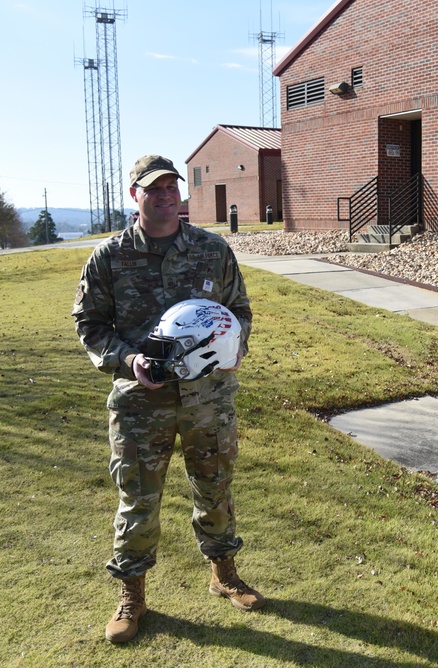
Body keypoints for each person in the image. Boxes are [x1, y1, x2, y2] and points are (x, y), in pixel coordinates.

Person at [72, 154, 265, 644]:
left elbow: (237, 308)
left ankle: (224, 574)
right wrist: (127, 360)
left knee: (215, 486)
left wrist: (236, 344)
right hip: (141, 403)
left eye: (170, 187)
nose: (163, 196)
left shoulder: (210, 249)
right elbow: (90, 326)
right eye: (152, 189)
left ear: (180, 194)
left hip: (209, 398)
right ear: (134, 195)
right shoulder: (109, 257)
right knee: (138, 499)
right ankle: (132, 595)